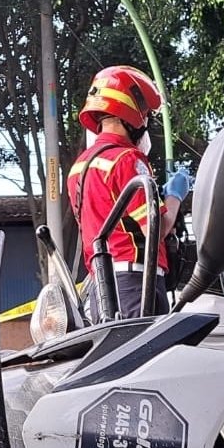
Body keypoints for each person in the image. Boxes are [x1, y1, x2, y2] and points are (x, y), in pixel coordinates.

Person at [66, 65, 193, 319]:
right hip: (136, 285)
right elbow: (157, 229)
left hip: (101, 288)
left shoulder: (78, 168)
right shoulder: (128, 160)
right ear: (132, 114)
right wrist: (176, 196)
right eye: (145, 115)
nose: (146, 124)